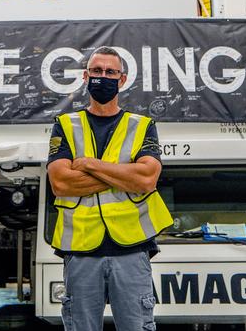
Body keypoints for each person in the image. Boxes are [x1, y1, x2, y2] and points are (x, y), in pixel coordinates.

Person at [46, 46, 171, 331]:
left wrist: (88, 163)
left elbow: (147, 179)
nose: (103, 77)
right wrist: (125, 172)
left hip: (131, 250)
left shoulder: (142, 126)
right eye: (97, 71)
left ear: (122, 79)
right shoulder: (65, 124)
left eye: (110, 72)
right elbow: (61, 183)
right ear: (86, 76)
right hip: (80, 252)